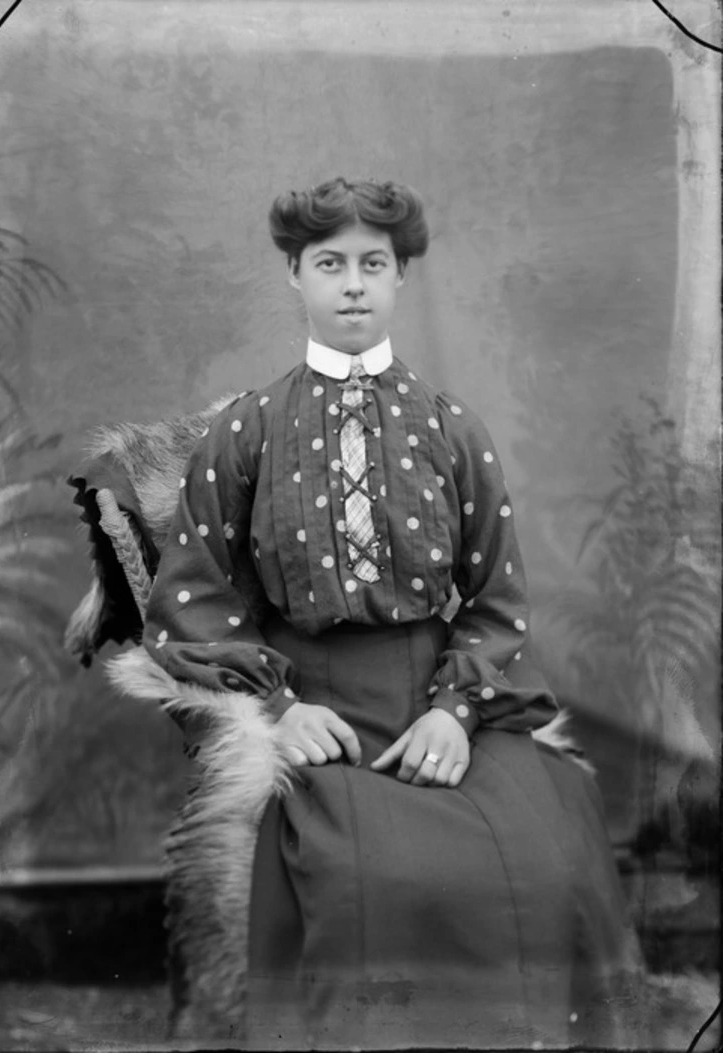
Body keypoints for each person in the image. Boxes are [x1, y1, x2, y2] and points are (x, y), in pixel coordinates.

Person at [141, 178, 637, 1049]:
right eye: (329, 263)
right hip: (318, 705)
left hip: (444, 700)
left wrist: (455, 711)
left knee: (549, 854)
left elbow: (497, 600)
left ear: (403, 274)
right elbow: (195, 596)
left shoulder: (452, 427)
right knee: (369, 877)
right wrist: (278, 713)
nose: (354, 284)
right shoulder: (249, 431)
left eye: (374, 262)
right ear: (294, 274)